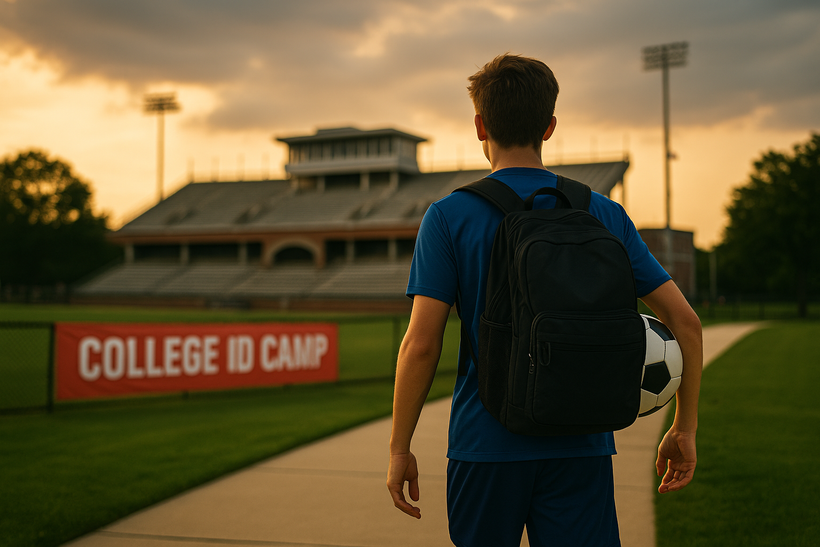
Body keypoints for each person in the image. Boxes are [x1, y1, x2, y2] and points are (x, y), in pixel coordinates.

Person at [387, 53, 703, 547]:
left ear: (479, 125)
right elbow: (685, 322)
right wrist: (684, 427)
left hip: (483, 447)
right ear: (550, 126)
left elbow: (421, 346)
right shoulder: (605, 213)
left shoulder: (448, 217)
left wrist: (399, 448)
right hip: (581, 445)